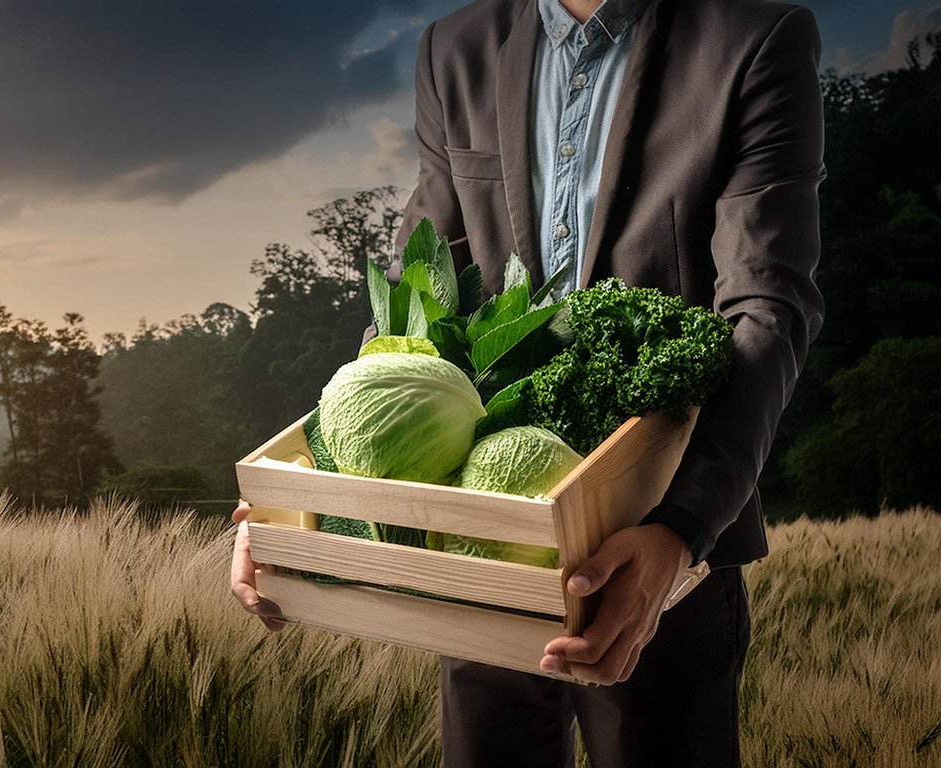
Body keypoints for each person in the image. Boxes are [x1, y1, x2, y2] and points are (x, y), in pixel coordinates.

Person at [232, 0, 825, 764]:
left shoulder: (755, 38)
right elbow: (419, 300)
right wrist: (300, 505)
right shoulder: (455, 50)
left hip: (655, 545)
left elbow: (765, 306)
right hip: (478, 534)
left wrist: (681, 532)